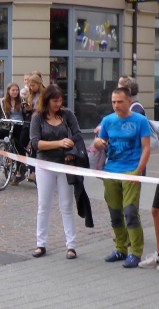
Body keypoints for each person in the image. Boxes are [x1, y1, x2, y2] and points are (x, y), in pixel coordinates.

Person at [93, 87, 151, 268]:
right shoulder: (107, 121)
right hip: (111, 171)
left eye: (119, 101)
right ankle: (120, 248)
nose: (116, 105)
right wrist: (97, 142)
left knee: (130, 211)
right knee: (115, 212)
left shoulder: (140, 120)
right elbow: (100, 143)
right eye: (113, 102)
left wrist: (138, 171)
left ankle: (136, 252)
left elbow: (146, 148)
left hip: (131, 170)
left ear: (129, 101)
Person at [29, 85, 82, 259]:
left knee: (66, 205)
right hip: (44, 164)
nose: (58, 104)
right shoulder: (38, 117)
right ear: (47, 100)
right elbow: (36, 143)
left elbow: (77, 134)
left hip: (65, 164)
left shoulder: (67, 115)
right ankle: (40, 244)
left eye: (60, 100)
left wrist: (70, 147)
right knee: (43, 205)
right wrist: (59, 143)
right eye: (55, 101)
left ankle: (71, 246)